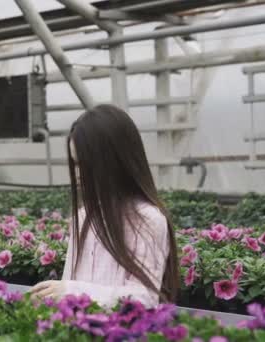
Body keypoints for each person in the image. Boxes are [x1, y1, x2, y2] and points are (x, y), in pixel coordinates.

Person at [30, 104, 179, 308]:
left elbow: (144, 299)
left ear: (112, 161)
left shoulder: (148, 219)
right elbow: (69, 283)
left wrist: (72, 291)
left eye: (85, 163)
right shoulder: (83, 216)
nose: (78, 172)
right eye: (74, 163)